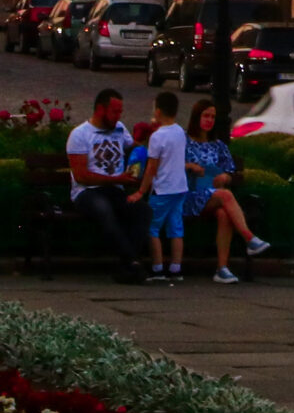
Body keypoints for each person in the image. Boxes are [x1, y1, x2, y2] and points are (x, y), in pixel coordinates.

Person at [67, 87, 150, 284]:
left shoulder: (119, 128)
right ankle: (133, 262)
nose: (118, 116)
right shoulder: (80, 134)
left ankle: (126, 266)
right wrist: (117, 179)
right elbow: (81, 176)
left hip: (115, 188)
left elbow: (133, 147)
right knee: (104, 210)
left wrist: (148, 144)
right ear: (100, 110)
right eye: (115, 111)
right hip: (88, 192)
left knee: (142, 211)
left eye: (120, 112)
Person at [184, 101, 270, 283]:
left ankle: (222, 269)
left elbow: (232, 173)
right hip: (189, 195)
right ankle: (250, 238)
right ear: (196, 117)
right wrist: (190, 166)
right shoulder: (184, 141)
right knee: (226, 196)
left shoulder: (218, 146)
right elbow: (170, 164)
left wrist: (225, 178)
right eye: (205, 116)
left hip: (212, 195)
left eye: (212, 117)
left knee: (224, 213)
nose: (209, 120)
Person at [130, 90, 190, 281]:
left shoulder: (157, 137)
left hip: (162, 188)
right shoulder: (180, 131)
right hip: (180, 187)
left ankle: (157, 267)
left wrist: (141, 190)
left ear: (158, 111)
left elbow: (151, 168)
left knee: (153, 228)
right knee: (176, 228)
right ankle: (176, 267)